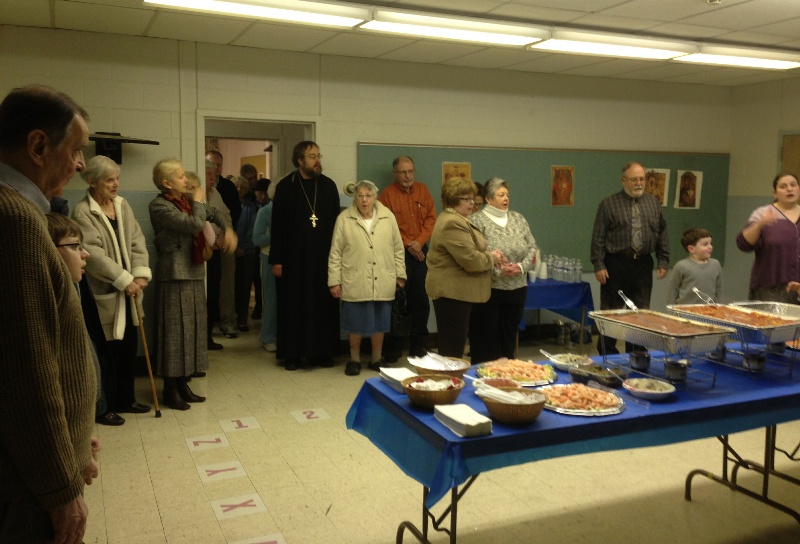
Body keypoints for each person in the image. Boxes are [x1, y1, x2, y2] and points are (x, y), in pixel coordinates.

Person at [0, 84, 98, 544]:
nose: (80, 165)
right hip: (28, 488)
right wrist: (61, 486)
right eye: (76, 150)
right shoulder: (15, 219)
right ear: (39, 146)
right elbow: (28, 370)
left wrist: (77, 440)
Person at [148, 158, 234, 410]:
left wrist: (227, 229)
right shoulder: (160, 207)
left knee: (192, 331)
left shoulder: (187, 204)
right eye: (181, 176)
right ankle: (170, 388)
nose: (186, 180)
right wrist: (197, 201)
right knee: (174, 333)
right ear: (167, 183)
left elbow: (216, 213)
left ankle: (183, 383)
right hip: (174, 275)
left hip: (194, 272)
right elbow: (193, 224)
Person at [72, 155, 152, 415]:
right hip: (105, 293)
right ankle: (106, 407)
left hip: (130, 293)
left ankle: (126, 400)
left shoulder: (122, 205)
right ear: (92, 181)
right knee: (108, 352)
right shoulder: (83, 211)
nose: (116, 184)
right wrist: (124, 279)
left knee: (129, 346)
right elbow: (93, 254)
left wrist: (139, 275)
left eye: (117, 178)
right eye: (109, 180)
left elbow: (137, 241)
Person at [269, 141, 340, 370]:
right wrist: (277, 259)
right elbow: (277, 226)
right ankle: (293, 354)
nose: (317, 160)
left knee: (322, 305)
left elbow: (337, 227)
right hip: (293, 259)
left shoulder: (328, 186)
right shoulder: (286, 187)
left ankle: (321, 352)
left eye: (319, 155)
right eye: (312, 156)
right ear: (299, 160)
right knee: (293, 304)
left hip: (323, 258)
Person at [329, 180, 406, 376]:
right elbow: (335, 252)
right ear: (354, 198)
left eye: (368, 195)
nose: (364, 200)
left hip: (383, 277)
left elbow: (398, 248)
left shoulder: (388, 217)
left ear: (375, 197)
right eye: (360, 196)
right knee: (354, 321)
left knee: (380, 320)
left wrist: (400, 274)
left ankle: (376, 358)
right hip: (354, 278)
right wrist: (334, 280)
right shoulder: (344, 218)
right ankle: (354, 360)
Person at [590, 161, 669, 354]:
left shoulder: (653, 203)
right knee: (612, 312)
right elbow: (598, 237)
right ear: (624, 180)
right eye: (634, 179)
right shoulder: (609, 204)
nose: (639, 183)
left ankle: (637, 353)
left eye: (642, 179)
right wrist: (598, 264)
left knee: (640, 312)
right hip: (616, 264)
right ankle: (607, 353)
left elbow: (662, 233)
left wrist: (663, 260)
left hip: (642, 265)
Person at [426, 177, 506, 358]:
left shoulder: (457, 219)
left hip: (457, 293)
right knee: (452, 352)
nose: (472, 203)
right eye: (466, 199)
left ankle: (451, 382)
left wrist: (489, 255)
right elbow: (470, 260)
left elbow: (471, 250)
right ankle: (449, 384)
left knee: (453, 348)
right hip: (452, 294)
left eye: (473, 198)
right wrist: (491, 258)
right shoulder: (452, 222)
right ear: (453, 199)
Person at [468, 178, 538, 364]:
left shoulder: (518, 218)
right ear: (489, 199)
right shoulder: (476, 220)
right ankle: (483, 377)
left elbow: (532, 248)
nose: (506, 198)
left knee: (508, 337)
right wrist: (497, 271)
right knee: (486, 339)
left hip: (517, 288)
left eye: (507, 195)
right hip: (488, 289)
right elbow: (473, 254)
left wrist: (521, 267)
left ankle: (508, 377)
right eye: (501, 195)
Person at [379, 156, 437, 359]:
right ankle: (394, 347)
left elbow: (431, 218)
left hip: (420, 251)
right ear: (395, 173)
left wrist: (419, 242)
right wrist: (409, 244)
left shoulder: (423, 190)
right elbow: (387, 224)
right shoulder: (386, 195)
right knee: (396, 299)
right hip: (398, 252)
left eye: (411, 171)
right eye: (403, 172)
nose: (408, 176)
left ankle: (419, 345)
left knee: (420, 299)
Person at [736, 173, 800, 303]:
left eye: (793, 185)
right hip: (769, 289)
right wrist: (760, 225)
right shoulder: (762, 213)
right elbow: (743, 244)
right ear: (775, 193)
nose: (789, 189)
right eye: (783, 186)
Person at [206, 150, 240, 339]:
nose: (215, 172)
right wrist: (213, 239)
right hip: (206, 248)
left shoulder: (222, 189)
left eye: (219, 166)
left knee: (226, 284)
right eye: (211, 170)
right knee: (208, 287)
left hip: (224, 243)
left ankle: (227, 322)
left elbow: (228, 214)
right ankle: (207, 331)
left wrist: (227, 234)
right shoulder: (199, 191)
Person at [666, 227, 723, 305]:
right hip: (685, 312)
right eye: (705, 244)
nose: (710, 247)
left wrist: (719, 307)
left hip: (709, 312)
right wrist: (672, 311)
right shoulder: (681, 266)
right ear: (691, 249)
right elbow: (672, 290)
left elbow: (719, 290)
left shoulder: (715, 264)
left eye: (710, 243)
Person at [253, 178, 277, 353]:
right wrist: (277, 236)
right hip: (268, 259)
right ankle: (268, 337)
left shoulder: (290, 211)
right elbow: (257, 239)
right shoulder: (265, 212)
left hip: (287, 261)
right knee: (270, 300)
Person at [233, 175, 259, 332]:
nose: (239, 189)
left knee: (245, 286)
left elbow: (252, 231)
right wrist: (234, 247)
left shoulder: (250, 207)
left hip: (247, 253)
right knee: (231, 287)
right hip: (229, 251)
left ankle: (242, 319)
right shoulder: (228, 205)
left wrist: (242, 248)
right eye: (236, 186)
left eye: (242, 187)